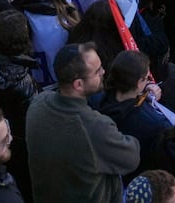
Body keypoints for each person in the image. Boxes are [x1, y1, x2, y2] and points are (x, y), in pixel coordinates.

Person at [25, 43, 141, 203]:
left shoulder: (38, 103)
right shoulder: (94, 127)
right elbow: (132, 157)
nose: (103, 72)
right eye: (97, 71)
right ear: (78, 84)